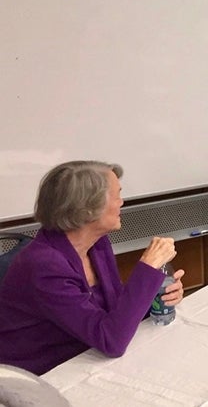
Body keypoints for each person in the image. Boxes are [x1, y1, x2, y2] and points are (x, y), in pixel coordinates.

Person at [0, 161, 185, 375]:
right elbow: (111, 340)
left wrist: (158, 295)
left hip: (85, 357)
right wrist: (147, 268)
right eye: (116, 195)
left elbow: (115, 311)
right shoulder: (44, 266)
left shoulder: (96, 244)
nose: (122, 202)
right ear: (88, 208)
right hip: (41, 375)